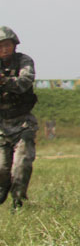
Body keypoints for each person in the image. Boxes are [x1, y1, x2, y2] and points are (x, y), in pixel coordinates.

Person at [0, 26, 37, 210]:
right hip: (2, 125)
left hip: (23, 123)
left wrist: (4, 81)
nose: (4, 49)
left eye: (7, 45)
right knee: (2, 168)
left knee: (21, 166)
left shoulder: (24, 61)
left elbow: (24, 82)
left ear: (14, 45)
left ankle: (18, 202)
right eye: (0, 46)